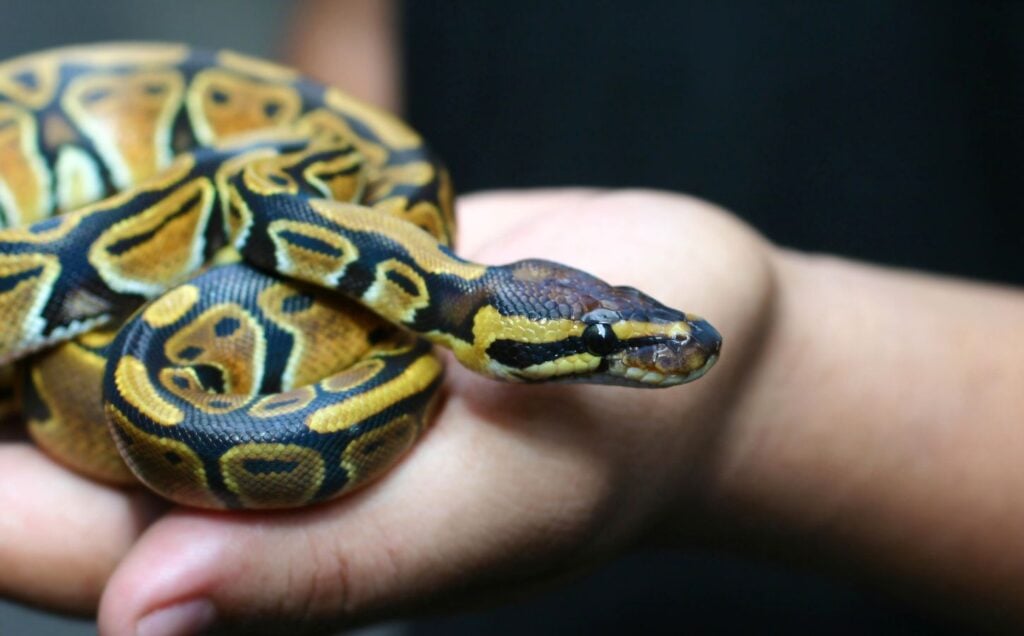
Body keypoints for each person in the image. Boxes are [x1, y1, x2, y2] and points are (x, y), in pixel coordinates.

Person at [2, 2, 1023, 634]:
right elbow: (351, 67)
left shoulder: (391, 256)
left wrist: (767, 390)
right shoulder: (370, 235)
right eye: (597, 335)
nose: (650, 340)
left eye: (613, 328)